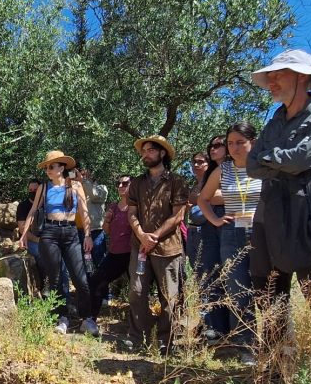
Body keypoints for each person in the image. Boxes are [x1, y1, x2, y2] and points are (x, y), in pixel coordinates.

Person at [246, 49, 311, 352]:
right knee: (270, 289)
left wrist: (271, 158)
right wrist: (282, 161)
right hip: (274, 210)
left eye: (279, 74)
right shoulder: (274, 120)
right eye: (270, 76)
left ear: (302, 77)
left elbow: (306, 157)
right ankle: (275, 364)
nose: (272, 81)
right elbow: (251, 164)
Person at [197, 123, 261, 365]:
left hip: (262, 232)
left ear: (252, 142)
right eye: (230, 142)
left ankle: (275, 344)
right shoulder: (222, 170)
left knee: (267, 289)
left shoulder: (264, 166)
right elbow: (203, 198)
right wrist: (214, 219)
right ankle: (245, 348)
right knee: (237, 291)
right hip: (232, 233)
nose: (234, 148)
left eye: (239, 142)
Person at [18, 151, 94, 335]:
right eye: (46, 167)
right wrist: (24, 235)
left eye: (51, 166)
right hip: (50, 233)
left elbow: (84, 212)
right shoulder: (43, 188)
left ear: (61, 167)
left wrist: (88, 235)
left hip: (70, 234)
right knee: (56, 278)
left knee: (80, 278)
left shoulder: (75, 185)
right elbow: (33, 211)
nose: (48, 170)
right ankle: (62, 317)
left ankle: (87, 318)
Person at [126, 135, 189, 348]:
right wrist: (142, 234)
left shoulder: (177, 181)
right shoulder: (136, 183)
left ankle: (166, 340)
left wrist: (155, 236)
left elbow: (178, 216)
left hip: (168, 248)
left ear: (162, 153)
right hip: (141, 247)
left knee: (170, 297)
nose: (146, 154)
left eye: (151, 150)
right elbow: (131, 212)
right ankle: (139, 337)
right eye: (143, 151)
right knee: (136, 292)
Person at [193, 136, 229, 341]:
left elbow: (211, 197)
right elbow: (202, 198)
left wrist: (217, 195)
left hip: (230, 225)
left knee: (232, 275)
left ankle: (237, 330)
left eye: (218, 145)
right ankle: (217, 327)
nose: (213, 149)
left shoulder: (236, 168)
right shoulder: (209, 174)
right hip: (210, 226)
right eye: (211, 146)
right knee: (212, 275)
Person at [88, 174, 133, 322]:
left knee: (138, 290)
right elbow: (107, 231)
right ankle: (90, 318)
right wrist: (106, 221)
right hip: (115, 254)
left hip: (133, 254)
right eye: (118, 183)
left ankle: (140, 325)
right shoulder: (114, 206)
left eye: (125, 183)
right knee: (96, 280)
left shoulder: (137, 206)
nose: (120, 186)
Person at [16, 178, 69, 304]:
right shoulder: (23, 206)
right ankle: (46, 287)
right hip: (34, 240)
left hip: (52, 239)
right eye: (30, 190)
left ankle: (66, 299)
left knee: (62, 264)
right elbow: (23, 229)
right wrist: (39, 240)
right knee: (42, 255)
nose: (33, 192)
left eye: (35, 190)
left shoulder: (49, 204)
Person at [81, 168, 110, 269]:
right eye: (81, 172)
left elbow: (94, 196)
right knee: (85, 263)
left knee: (100, 262)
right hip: (81, 232)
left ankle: (103, 284)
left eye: (85, 171)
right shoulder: (79, 188)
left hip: (96, 231)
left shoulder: (102, 188)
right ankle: (89, 284)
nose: (83, 174)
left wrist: (83, 181)